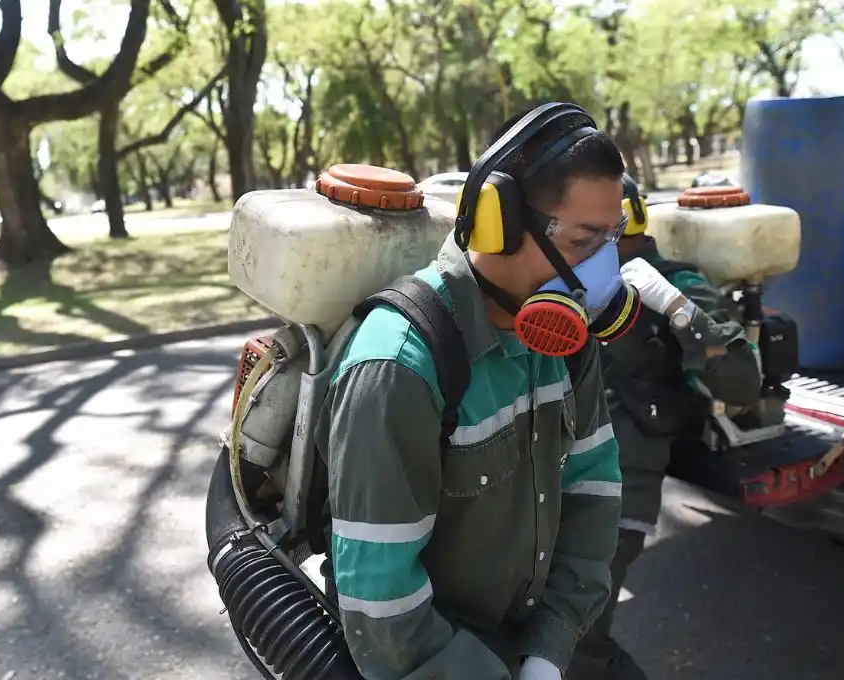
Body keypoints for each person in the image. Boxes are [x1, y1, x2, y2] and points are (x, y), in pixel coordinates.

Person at [313, 102, 630, 680]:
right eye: (585, 241)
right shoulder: (401, 366)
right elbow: (383, 606)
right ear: (499, 224)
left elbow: (594, 488)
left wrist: (550, 649)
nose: (602, 269)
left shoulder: (566, 339)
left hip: (532, 639)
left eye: (612, 238)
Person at [564, 194, 763, 680]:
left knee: (577, 642)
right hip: (558, 473)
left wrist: (676, 307)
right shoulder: (571, 280)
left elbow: (742, 382)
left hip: (619, 486)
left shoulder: (672, 281)